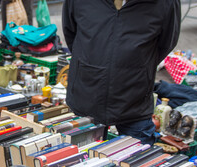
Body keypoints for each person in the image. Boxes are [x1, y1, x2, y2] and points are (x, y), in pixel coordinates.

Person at [62, 0, 181, 145]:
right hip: (86, 96)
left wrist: (135, 68)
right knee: (78, 161)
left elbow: (165, 43)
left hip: (134, 101)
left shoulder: (164, 3)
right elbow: (71, 34)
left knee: (136, 163)